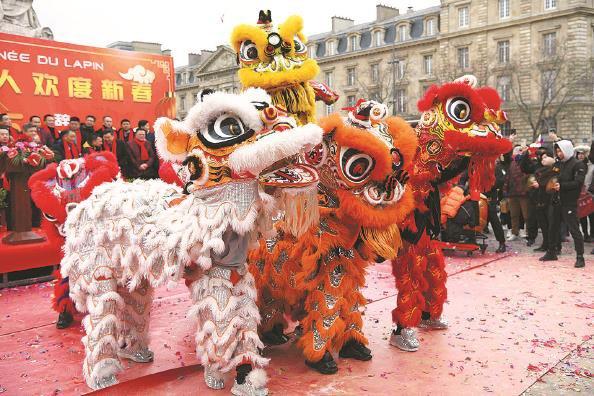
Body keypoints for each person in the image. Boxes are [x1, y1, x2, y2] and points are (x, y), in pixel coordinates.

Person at [540, 140, 586, 268]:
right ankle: (551, 252)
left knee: (574, 229)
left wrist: (562, 186)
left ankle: (580, 257)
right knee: (552, 227)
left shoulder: (578, 164)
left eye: (560, 150)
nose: (559, 153)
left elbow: (578, 183)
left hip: (569, 202)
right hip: (556, 200)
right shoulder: (558, 164)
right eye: (557, 151)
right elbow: (552, 177)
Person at [504, 145, 530, 241]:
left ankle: (528, 233)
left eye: (520, 150)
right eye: (516, 150)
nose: (518, 152)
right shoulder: (511, 163)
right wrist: (505, 191)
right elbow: (508, 177)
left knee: (526, 215)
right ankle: (514, 232)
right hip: (512, 193)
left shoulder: (526, 161)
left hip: (524, 193)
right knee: (513, 215)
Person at [485, 157, 507, 252]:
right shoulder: (475, 165)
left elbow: (501, 181)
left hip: (490, 196)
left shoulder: (495, 167)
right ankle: (471, 239)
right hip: (476, 194)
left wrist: (489, 185)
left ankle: (502, 242)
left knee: (493, 217)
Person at [575, 145, 593, 242]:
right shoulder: (575, 165)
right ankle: (585, 233)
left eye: (583, 154)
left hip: (589, 192)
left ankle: (591, 234)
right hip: (579, 193)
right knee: (582, 215)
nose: (581, 156)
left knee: (591, 214)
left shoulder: (591, 166)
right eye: (579, 154)